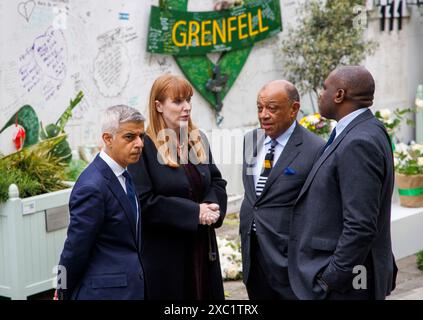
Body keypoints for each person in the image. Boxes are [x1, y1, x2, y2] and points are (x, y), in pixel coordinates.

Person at [288, 66, 398, 300]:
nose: (320, 94)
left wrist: (331, 279)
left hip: (347, 284)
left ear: (339, 95)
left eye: (324, 88)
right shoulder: (364, 129)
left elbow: (360, 224)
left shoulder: (358, 141)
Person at [128, 74, 227, 300]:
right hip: (166, 256)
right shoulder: (143, 146)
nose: (187, 107)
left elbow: (217, 181)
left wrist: (211, 204)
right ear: (158, 106)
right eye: (178, 101)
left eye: (188, 100)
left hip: (202, 249)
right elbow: (143, 202)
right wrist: (195, 213)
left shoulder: (197, 138)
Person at [239, 80, 325, 300]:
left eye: (272, 108)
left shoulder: (315, 149)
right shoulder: (251, 140)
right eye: (260, 108)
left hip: (290, 262)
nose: (264, 115)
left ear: (294, 109)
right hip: (253, 254)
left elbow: (319, 209)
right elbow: (255, 197)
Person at [56, 105, 146, 300]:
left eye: (142, 136)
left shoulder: (124, 175)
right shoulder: (92, 186)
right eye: (130, 137)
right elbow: (74, 249)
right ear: (107, 139)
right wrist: (61, 291)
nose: (139, 143)